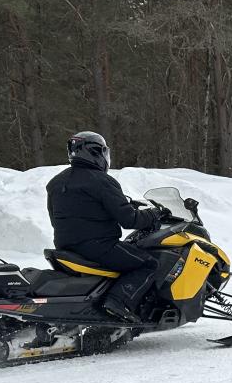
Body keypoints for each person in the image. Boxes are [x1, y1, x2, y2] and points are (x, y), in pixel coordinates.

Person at [46, 130, 159, 322]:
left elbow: (56, 217)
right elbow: (130, 220)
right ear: (96, 152)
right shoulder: (102, 181)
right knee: (149, 264)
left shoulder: (56, 182)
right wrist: (154, 214)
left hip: (66, 247)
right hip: (99, 247)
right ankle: (118, 302)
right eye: (104, 151)